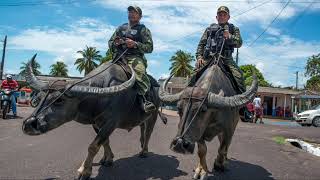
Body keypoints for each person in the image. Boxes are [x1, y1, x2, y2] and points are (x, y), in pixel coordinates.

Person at [108, 6, 155, 113]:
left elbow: (149, 48)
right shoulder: (121, 28)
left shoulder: (143, 30)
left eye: (135, 12)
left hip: (135, 57)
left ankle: (144, 100)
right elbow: (110, 42)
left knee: (139, 73)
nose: (132, 14)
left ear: (140, 16)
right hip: (119, 57)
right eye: (130, 12)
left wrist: (135, 44)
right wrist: (115, 43)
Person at [193, 5, 245, 93]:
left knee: (239, 76)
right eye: (220, 15)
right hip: (209, 58)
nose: (222, 17)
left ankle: (242, 104)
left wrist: (229, 36)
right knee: (192, 75)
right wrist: (199, 57)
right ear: (216, 17)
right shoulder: (209, 29)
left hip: (226, 59)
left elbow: (239, 43)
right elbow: (201, 45)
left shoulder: (234, 29)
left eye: (224, 15)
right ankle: (184, 98)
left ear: (228, 17)